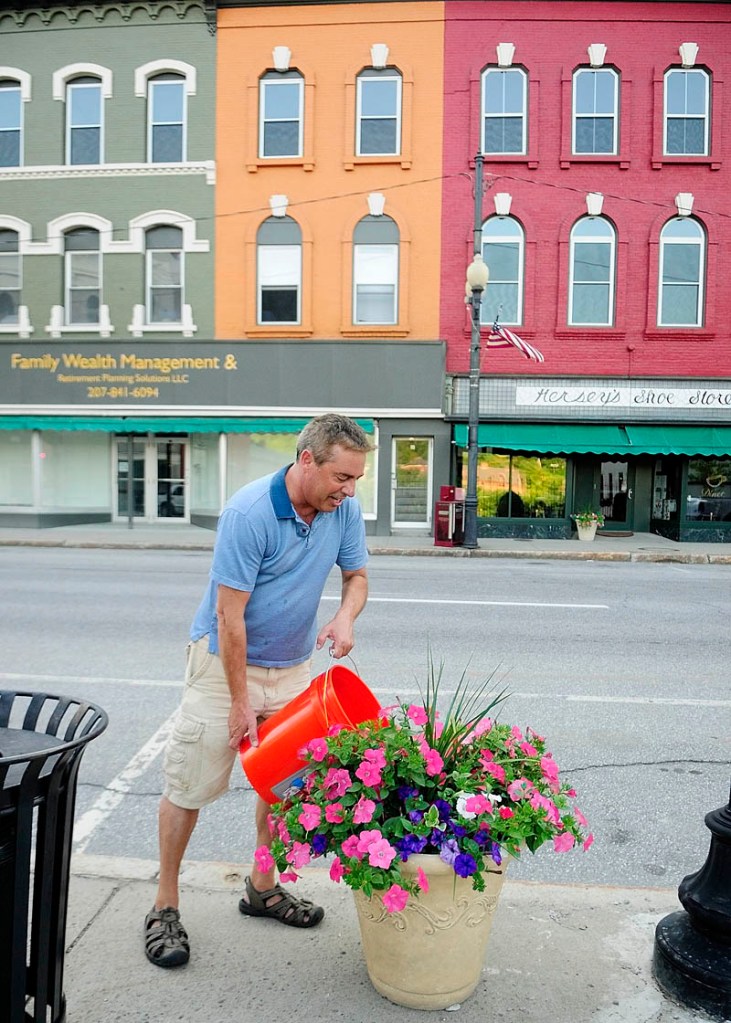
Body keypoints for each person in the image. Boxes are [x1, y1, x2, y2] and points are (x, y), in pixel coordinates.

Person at [144, 414, 372, 968]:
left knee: (283, 786)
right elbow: (230, 618)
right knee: (190, 784)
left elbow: (356, 576)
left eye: (355, 479)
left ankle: (261, 888)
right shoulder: (249, 513)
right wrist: (242, 701)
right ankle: (164, 905)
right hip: (224, 664)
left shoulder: (342, 511)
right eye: (342, 477)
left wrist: (345, 618)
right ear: (306, 460)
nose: (349, 490)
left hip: (292, 667)